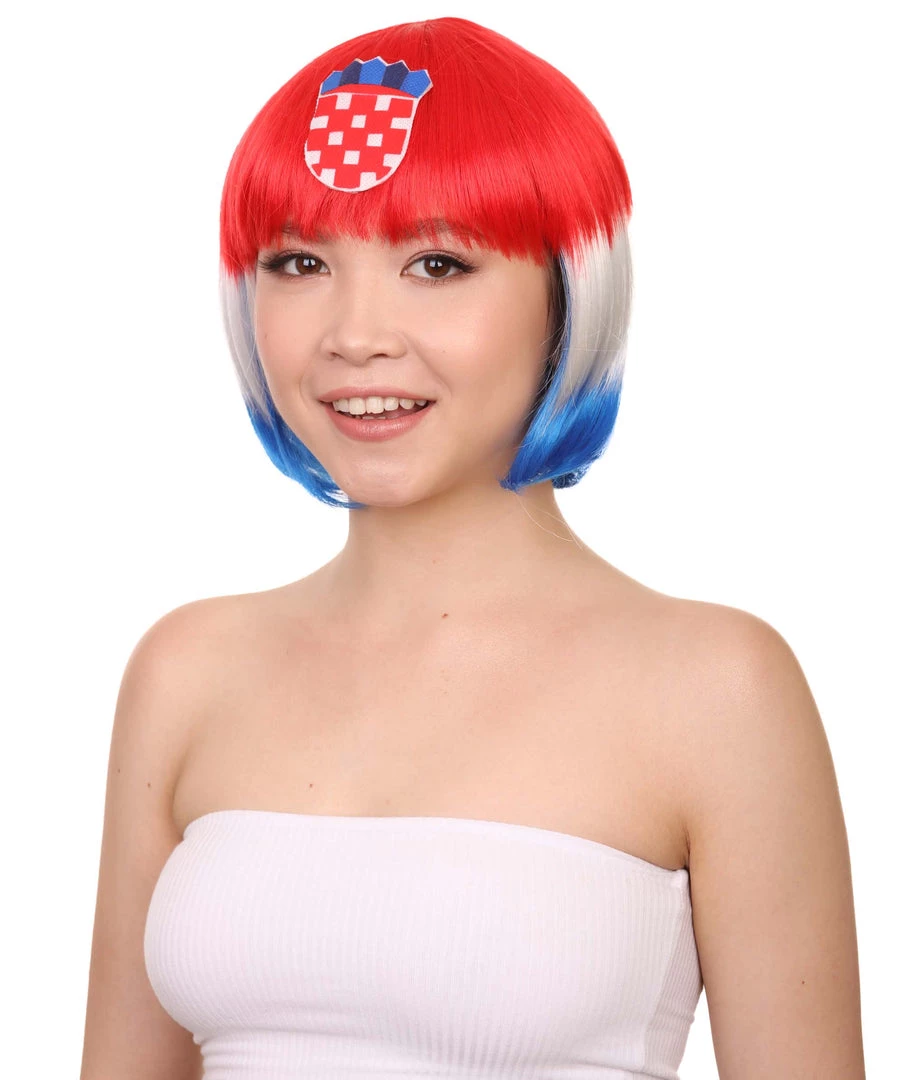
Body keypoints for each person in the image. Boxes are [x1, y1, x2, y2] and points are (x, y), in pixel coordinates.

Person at [80, 16, 865, 1080]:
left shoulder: (714, 687)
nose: (354, 335)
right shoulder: (187, 670)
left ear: (567, 295)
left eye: (437, 263)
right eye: (300, 261)